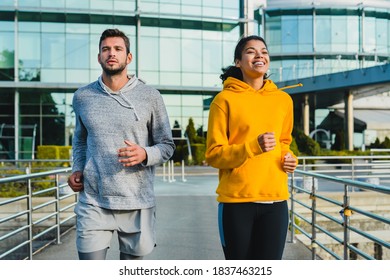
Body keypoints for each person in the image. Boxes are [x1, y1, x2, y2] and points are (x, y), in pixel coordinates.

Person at [67, 28, 175, 260]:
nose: (111, 53)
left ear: (129, 57)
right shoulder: (82, 96)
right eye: (106, 49)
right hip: (93, 201)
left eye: (118, 49)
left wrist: (145, 154)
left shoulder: (150, 96)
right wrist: (77, 168)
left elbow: (167, 145)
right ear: (99, 57)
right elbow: (80, 140)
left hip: (137, 201)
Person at [205, 35, 298, 260]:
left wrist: (290, 158)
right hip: (237, 203)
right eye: (251, 51)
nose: (259, 55)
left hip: (276, 201)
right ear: (238, 62)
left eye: (264, 51)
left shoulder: (283, 100)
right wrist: (251, 147)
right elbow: (214, 155)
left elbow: (284, 142)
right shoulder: (223, 100)